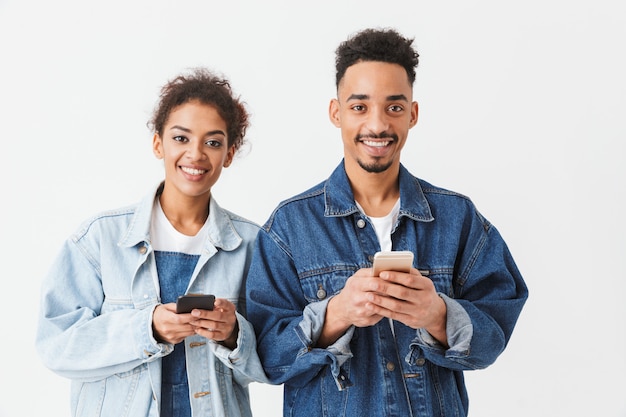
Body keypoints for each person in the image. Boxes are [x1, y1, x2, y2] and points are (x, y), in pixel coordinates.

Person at [245, 28, 529, 417]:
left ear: (412, 114)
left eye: (393, 107)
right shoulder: (288, 227)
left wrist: (437, 315)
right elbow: (265, 359)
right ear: (336, 112)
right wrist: (337, 314)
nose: (377, 125)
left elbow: (494, 335)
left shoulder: (457, 218)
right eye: (359, 107)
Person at [36, 68, 268, 417]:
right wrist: (147, 329)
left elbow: (275, 359)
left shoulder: (251, 244)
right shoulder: (100, 238)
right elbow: (56, 346)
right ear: (158, 143)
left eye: (213, 142)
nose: (196, 154)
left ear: (229, 154)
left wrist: (235, 334)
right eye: (181, 138)